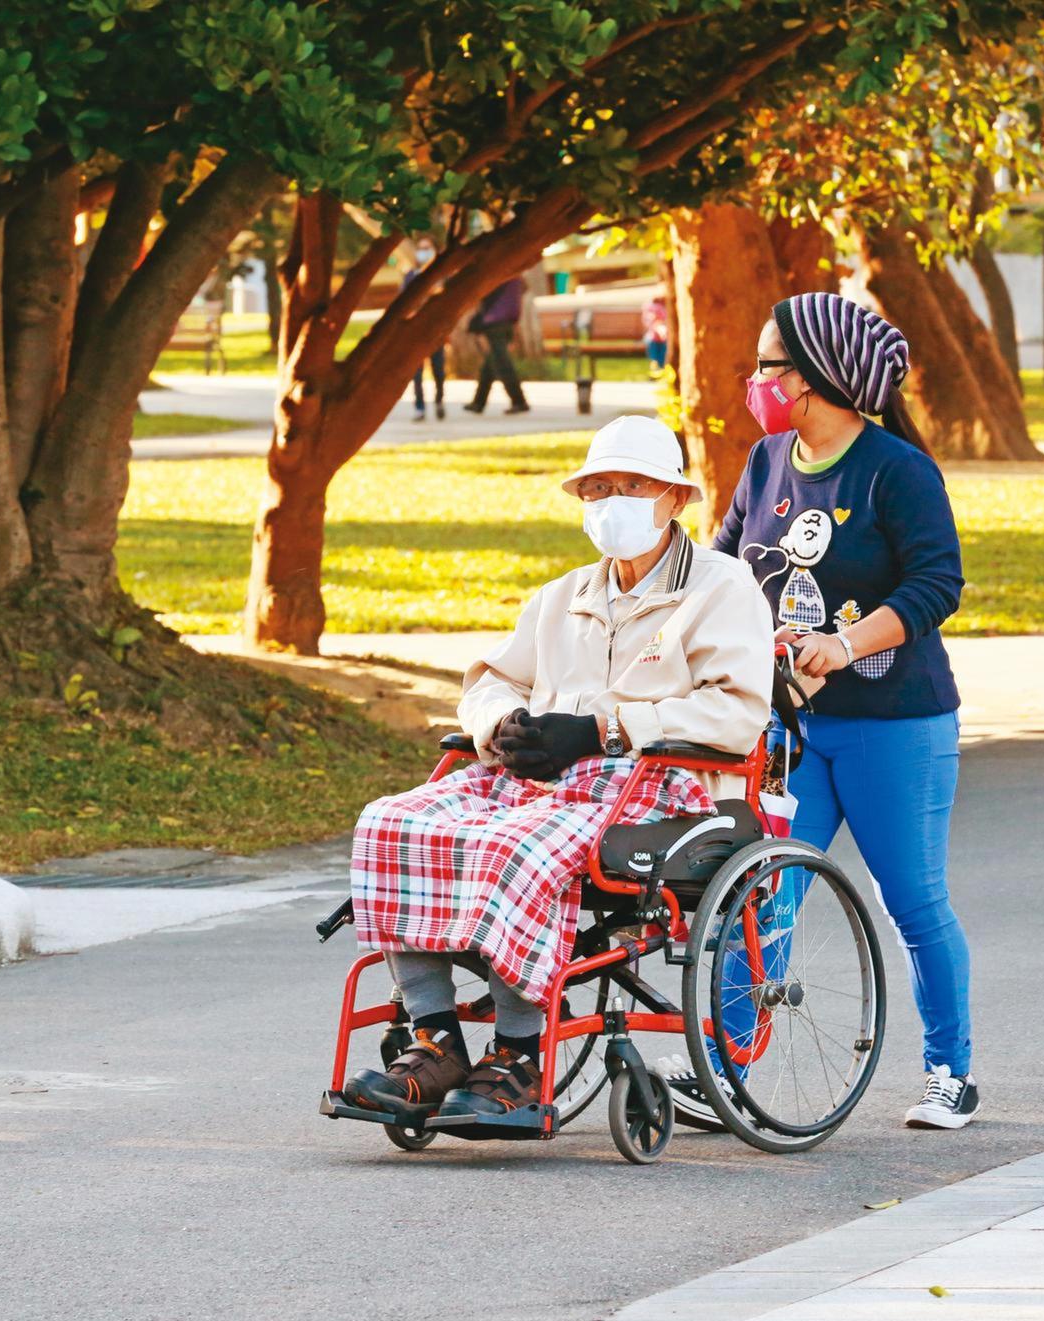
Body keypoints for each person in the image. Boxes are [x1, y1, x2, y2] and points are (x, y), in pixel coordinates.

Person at [342, 416, 773, 1118]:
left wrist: (603, 728)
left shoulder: (721, 588)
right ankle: (436, 1038)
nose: (612, 501)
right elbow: (491, 680)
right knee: (391, 824)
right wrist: (501, 723)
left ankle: (516, 1053)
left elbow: (736, 711)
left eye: (632, 486)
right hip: (539, 781)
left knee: (514, 846)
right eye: (598, 488)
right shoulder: (562, 595)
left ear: (674, 498)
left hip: (662, 789)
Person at [716, 291, 978, 1130]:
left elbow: (937, 583)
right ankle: (727, 1065)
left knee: (911, 900)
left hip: (894, 725)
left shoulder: (897, 470)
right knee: (761, 893)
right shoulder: (765, 461)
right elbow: (723, 571)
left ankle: (949, 1071)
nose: (755, 379)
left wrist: (844, 642)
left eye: (767, 364)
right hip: (788, 728)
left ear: (815, 377)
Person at [465, 274, 532, 415]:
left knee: (502, 363)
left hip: (495, 321)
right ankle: (478, 402)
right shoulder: (516, 276)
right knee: (491, 363)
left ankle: (519, 401)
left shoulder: (499, 275)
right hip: (507, 320)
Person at [403, 240, 447, 422]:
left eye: (427, 249)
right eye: (421, 249)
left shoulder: (442, 275)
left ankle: (439, 401)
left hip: (436, 330)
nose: (424, 252)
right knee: (416, 372)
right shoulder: (410, 276)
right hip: (415, 332)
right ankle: (419, 407)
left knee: (438, 370)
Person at [642, 294, 670, 375]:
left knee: (655, 356)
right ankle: (659, 369)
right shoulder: (659, 308)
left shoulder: (649, 308)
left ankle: (656, 370)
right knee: (660, 355)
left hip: (654, 338)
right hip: (657, 338)